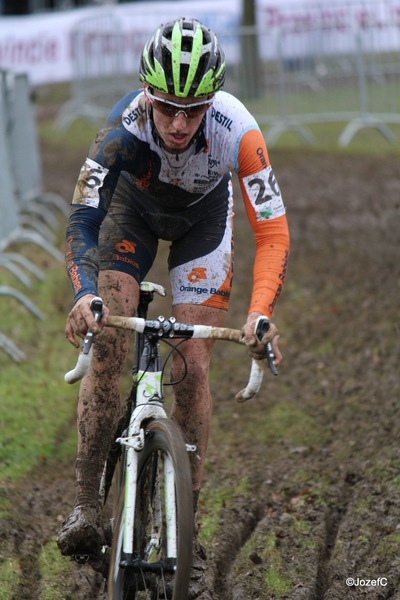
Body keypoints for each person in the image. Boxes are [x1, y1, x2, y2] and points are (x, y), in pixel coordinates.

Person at [57, 16, 289, 597]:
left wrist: (260, 312)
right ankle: (86, 505)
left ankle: (185, 524)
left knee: (195, 361)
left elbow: (274, 233)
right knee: (109, 340)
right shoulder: (121, 128)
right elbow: (83, 218)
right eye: (168, 108)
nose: (181, 123)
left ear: (213, 101)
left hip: (203, 226)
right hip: (130, 218)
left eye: (195, 109)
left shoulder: (239, 130)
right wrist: (84, 293)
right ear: (146, 95)